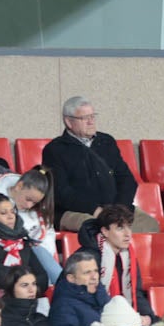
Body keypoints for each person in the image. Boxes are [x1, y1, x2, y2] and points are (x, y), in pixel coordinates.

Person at [40, 97, 154, 233]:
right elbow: (61, 192)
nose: (91, 121)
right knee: (94, 227)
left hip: (115, 209)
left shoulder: (107, 142)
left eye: (93, 116)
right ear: (69, 122)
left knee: (149, 224)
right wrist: (95, 210)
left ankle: (128, 253)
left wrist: (120, 209)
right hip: (80, 211)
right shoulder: (55, 149)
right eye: (85, 118)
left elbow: (126, 179)